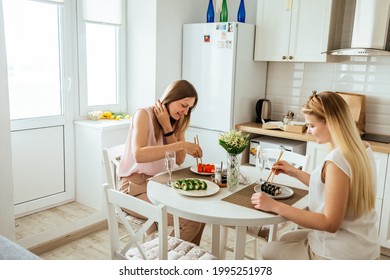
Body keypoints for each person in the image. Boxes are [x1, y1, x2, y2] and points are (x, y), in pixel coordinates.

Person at [251, 91, 380, 259]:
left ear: (330, 122)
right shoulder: (362, 148)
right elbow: (333, 187)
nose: (309, 131)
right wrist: (295, 172)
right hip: (364, 247)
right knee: (285, 237)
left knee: (267, 251)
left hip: (340, 255)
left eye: (312, 125)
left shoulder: (337, 160)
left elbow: (329, 223)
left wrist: (274, 206)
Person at [117, 80, 205, 245]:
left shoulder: (176, 121)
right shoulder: (143, 115)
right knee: (191, 221)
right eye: (183, 105)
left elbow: (179, 160)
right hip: (132, 188)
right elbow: (139, 155)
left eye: (189, 108)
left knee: (199, 213)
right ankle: (165, 259)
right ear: (170, 98)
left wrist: (168, 129)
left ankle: (179, 258)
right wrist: (182, 144)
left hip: (157, 185)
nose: (185, 112)